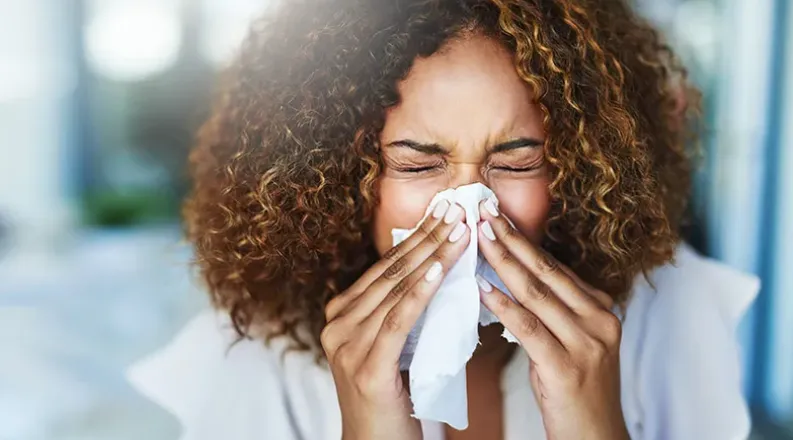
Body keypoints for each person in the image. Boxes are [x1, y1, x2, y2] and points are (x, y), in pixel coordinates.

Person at [128, 0, 760, 439]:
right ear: (343, 181)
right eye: (417, 166)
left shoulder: (671, 316)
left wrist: (596, 427)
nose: (468, 210)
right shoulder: (257, 358)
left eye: (515, 164)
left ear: (576, 171)